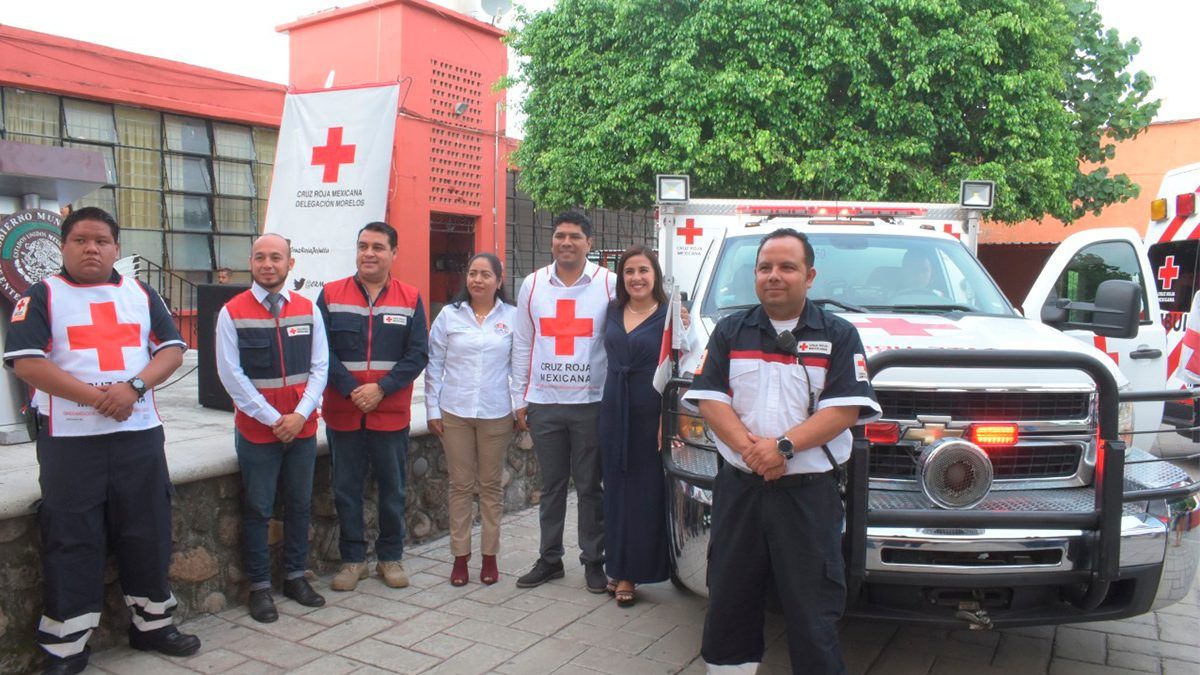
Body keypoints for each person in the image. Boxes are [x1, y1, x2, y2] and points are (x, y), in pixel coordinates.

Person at [4, 206, 199, 674]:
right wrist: (98, 399)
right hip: (71, 441)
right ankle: (66, 646)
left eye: (101, 241)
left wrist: (133, 388)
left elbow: (172, 350)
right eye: (80, 240)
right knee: (72, 536)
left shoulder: (141, 293)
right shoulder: (42, 294)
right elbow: (26, 362)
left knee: (148, 528)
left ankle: (153, 625)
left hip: (138, 434)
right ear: (63, 247)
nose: (91, 248)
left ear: (116, 248)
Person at [684, 228, 881, 674]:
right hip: (741, 491)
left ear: (809, 277)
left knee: (813, 611)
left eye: (787, 267)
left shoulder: (838, 334)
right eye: (765, 267)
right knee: (729, 601)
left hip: (807, 496)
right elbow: (710, 399)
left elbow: (845, 409)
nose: (774, 275)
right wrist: (755, 453)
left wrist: (783, 448)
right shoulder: (730, 331)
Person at [215, 233, 329, 623]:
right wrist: (272, 419)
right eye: (260, 257)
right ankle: (260, 587)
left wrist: (299, 414)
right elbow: (231, 376)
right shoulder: (232, 312)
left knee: (299, 505)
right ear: (251, 262)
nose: (268, 264)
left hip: (301, 428)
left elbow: (320, 368)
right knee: (258, 509)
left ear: (290, 264)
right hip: (257, 432)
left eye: (276, 257)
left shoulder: (308, 310)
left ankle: (295, 577)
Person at [318, 221, 428, 592]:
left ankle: (389, 558)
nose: (369, 253)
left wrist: (381, 389)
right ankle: (353, 561)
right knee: (346, 490)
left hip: (389, 414)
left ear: (393, 253)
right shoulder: (331, 295)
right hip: (344, 413)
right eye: (363, 246)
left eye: (378, 247)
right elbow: (321, 352)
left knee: (392, 491)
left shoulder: (410, 298)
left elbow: (417, 354)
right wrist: (353, 390)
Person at [511, 211, 616, 593]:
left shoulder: (608, 284)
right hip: (545, 402)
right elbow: (523, 342)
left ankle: (594, 560)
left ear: (589, 243)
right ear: (552, 240)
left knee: (589, 486)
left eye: (574, 236)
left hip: (591, 402)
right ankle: (550, 558)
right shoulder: (533, 284)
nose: (566, 242)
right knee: (552, 485)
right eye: (559, 235)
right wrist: (519, 397)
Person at [425, 253, 516, 586]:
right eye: (473, 273)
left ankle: (489, 556)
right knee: (460, 486)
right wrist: (432, 409)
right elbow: (434, 364)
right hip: (456, 412)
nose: (478, 280)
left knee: (491, 486)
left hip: (496, 413)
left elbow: (518, 366)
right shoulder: (450, 316)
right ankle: (460, 557)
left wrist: (520, 407)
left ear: (499, 280)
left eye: (485, 274)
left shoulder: (512, 317)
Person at [599, 245, 671, 607]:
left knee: (644, 494)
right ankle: (616, 565)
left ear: (655, 275)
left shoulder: (670, 316)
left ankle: (633, 572)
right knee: (614, 491)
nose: (636, 278)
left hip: (649, 412)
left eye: (643, 270)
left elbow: (677, 368)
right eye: (629, 271)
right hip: (614, 408)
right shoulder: (612, 310)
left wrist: (665, 419)